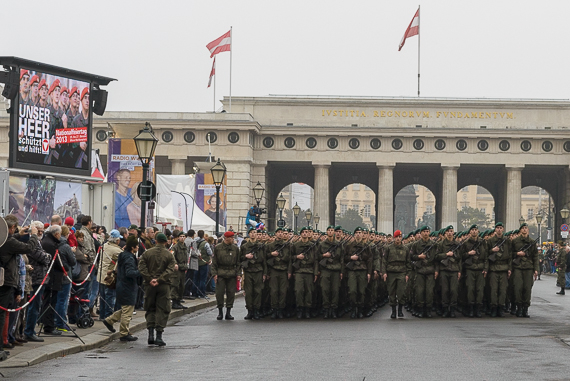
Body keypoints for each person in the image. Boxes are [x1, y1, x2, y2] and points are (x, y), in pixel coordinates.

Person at [0, 216, 38, 360]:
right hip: (6, 282)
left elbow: (7, 240)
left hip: (5, 281)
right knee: (2, 315)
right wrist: (33, 235)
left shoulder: (5, 240)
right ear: (12, 227)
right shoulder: (8, 242)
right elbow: (28, 248)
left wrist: (19, 234)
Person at [138, 233, 175, 346]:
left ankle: (150, 334)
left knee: (150, 308)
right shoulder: (169, 255)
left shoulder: (147, 253)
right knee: (162, 309)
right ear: (165, 242)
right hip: (164, 285)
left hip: (149, 285)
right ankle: (159, 335)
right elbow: (170, 269)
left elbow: (141, 267)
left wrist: (150, 279)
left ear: (156, 241)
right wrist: (160, 279)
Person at [102, 236, 141, 341]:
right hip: (128, 286)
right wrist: (141, 271)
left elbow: (121, 269)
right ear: (132, 247)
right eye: (136, 246)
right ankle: (124, 333)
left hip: (121, 285)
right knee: (127, 311)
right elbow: (130, 272)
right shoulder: (129, 257)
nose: (138, 248)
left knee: (125, 309)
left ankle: (109, 320)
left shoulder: (123, 255)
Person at [24, 221, 51, 342]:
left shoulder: (38, 242)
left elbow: (45, 256)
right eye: (38, 231)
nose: (40, 233)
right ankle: (29, 331)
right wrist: (47, 256)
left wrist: (46, 256)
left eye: (42, 231)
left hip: (40, 278)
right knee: (33, 307)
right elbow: (42, 257)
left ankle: (30, 330)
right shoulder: (33, 242)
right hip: (35, 278)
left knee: (36, 306)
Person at [459, 224, 488, 318]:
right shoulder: (465, 243)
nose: (474, 231)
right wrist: (468, 253)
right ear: (470, 231)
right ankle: (470, 308)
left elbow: (486, 257)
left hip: (480, 268)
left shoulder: (483, 242)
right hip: (470, 268)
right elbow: (461, 256)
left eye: (476, 230)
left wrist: (485, 268)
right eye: (472, 230)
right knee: (470, 289)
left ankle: (478, 308)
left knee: (479, 290)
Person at [511, 223, 538, 317]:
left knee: (527, 289)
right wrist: (517, 254)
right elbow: (510, 254)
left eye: (526, 228)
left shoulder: (532, 242)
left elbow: (535, 256)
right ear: (520, 230)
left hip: (528, 268)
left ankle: (525, 308)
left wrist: (536, 269)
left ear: (528, 230)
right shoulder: (515, 241)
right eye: (522, 228)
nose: (524, 230)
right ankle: (519, 307)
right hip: (517, 267)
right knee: (518, 288)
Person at [211, 231, 240, 321]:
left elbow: (238, 263)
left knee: (231, 293)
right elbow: (214, 262)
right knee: (219, 293)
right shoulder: (218, 248)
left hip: (232, 273)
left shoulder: (235, 249)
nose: (233, 239)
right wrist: (214, 274)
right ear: (226, 238)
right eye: (231, 238)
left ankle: (228, 312)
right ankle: (220, 312)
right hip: (221, 273)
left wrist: (238, 273)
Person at [317, 225, 344, 319]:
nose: (331, 232)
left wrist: (341, 271)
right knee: (325, 290)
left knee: (335, 290)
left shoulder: (339, 244)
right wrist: (324, 255)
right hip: (325, 269)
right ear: (326, 232)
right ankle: (326, 309)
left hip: (336, 269)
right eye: (329, 230)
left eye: (332, 230)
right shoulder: (322, 244)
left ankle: (333, 309)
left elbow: (341, 258)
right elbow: (317, 257)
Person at [344, 227, 372, 319]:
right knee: (352, 291)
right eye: (357, 232)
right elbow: (344, 258)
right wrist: (351, 258)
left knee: (361, 291)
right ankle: (353, 309)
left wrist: (369, 272)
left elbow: (369, 260)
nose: (358, 234)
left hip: (362, 270)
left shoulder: (366, 246)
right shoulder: (349, 245)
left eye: (360, 232)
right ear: (354, 234)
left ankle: (360, 310)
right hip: (352, 271)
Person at [382, 230, 410, 319]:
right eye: (397, 237)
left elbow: (408, 262)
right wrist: (384, 272)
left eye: (400, 237)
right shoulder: (388, 248)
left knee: (401, 292)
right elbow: (384, 261)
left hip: (402, 272)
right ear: (394, 238)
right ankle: (393, 311)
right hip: (391, 272)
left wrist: (408, 274)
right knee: (392, 292)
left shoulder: (405, 248)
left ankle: (400, 310)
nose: (398, 239)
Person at [239, 229, 266, 320]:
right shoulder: (245, 246)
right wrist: (246, 256)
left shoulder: (261, 246)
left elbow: (264, 260)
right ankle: (250, 311)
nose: (253, 234)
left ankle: (256, 310)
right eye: (251, 233)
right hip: (248, 270)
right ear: (249, 234)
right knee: (249, 292)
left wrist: (264, 273)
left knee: (258, 292)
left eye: (255, 233)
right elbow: (240, 258)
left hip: (258, 270)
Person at [435, 225, 461, 318]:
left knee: (453, 291)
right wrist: (446, 254)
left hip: (454, 269)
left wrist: (459, 271)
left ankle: (452, 309)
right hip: (444, 270)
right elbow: (437, 256)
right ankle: (445, 309)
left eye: (451, 231)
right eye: (448, 231)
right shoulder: (441, 244)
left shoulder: (457, 244)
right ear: (445, 233)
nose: (450, 233)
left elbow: (460, 259)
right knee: (445, 290)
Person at [54, 226, 77, 332]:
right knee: (62, 301)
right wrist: (72, 252)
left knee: (56, 300)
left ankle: (55, 321)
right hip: (65, 276)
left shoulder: (55, 244)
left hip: (55, 276)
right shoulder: (65, 246)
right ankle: (61, 322)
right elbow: (72, 261)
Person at [486, 222, 511, 316]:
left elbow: (510, 255)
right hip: (493, 268)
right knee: (494, 289)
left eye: (501, 228)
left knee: (503, 290)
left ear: (503, 229)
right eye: (497, 228)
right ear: (495, 229)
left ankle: (500, 307)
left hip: (504, 268)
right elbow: (485, 254)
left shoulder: (507, 241)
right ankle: (493, 307)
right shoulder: (490, 241)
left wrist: (509, 268)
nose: (499, 230)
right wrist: (492, 250)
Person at [99, 229, 122, 320]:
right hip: (110, 277)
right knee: (110, 297)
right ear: (117, 240)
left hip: (101, 275)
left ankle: (102, 315)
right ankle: (108, 317)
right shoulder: (117, 250)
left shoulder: (104, 246)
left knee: (102, 298)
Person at [171, 231, 189, 309]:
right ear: (178, 237)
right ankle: (174, 302)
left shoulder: (185, 246)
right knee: (175, 285)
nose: (182, 238)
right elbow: (172, 256)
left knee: (182, 286)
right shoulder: (175, 247)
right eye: (181, 236)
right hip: (177, 269)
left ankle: (179, 301)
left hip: (183, 268)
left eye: (184, 236)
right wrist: (175, 264)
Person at [194, 230, 211, 298]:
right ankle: (202, 293)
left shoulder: (194, 242)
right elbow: (210, 252)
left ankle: (195, 293)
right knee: (202, 279)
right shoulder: (205, 243)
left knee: (195, 279)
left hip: (195, 262)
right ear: (203, 235)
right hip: (203, 262)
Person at [184, 230, 198, 298]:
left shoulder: (185, 240)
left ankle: (185, 292)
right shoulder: (193, 242)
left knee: (186, 277)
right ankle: (187, 293)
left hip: (185, 260)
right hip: (191, 262)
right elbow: (193, 252)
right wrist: (198, 254)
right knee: (190, 278)